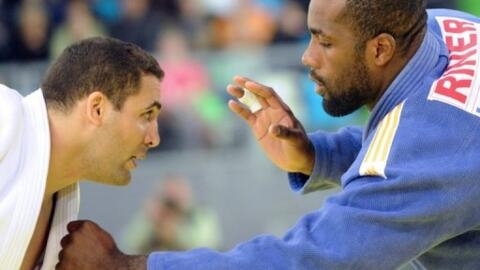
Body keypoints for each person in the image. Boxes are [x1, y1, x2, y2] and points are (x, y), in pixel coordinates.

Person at [56, 0, 480, 269]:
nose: (307, 56)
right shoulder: (444, 29)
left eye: (324, 41)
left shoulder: (431, 150)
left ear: (381, 49)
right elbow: (417, 148)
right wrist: (316, 154)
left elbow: (307, 260)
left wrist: (127, 267)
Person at [0, 36, 163, 270]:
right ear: (97, 109)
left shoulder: (62, 207)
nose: (154, 139)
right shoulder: (5, 115)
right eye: (147, 115)